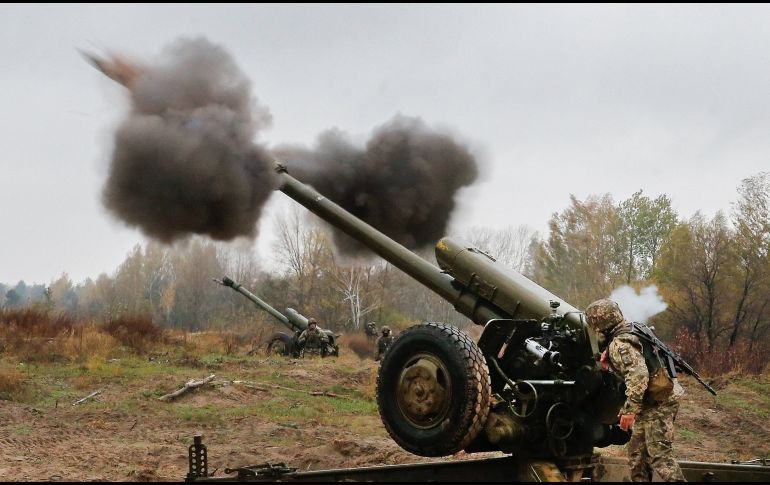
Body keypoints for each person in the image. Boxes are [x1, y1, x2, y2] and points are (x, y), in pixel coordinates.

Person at [585, 299, 686, 482]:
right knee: (637, 457)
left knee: (660, 456)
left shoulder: (620, 343)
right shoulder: (634, 329)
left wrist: (630, 410)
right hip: (655, 398)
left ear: (599, 323)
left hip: (658, 403)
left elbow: (638, 375)